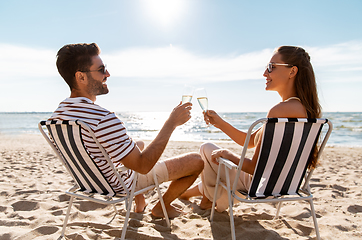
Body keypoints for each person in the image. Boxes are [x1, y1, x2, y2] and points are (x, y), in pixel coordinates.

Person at [50, 43, 204, 218]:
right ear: (81, 77)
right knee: (196, 161)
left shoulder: (58, 115)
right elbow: (143, 166)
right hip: (119, 185)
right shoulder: (102, 118)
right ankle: (162, 206)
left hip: (89, 181)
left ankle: (140, 201)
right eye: (101, 70)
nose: (107, 74)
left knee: (138, 143)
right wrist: (171, 123)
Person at [180, 46, 322, 212]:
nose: (265, 73)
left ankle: (207, 200)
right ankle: (195, 196)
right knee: (217, 166)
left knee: (206, 149)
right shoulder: (306, 111)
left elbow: (253, 168)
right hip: (285, 185)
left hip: (261, 186)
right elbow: (247, 141)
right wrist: (220, 123)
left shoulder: (279, 111)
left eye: (271, 67)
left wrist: (228, 154)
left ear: (292, 71)